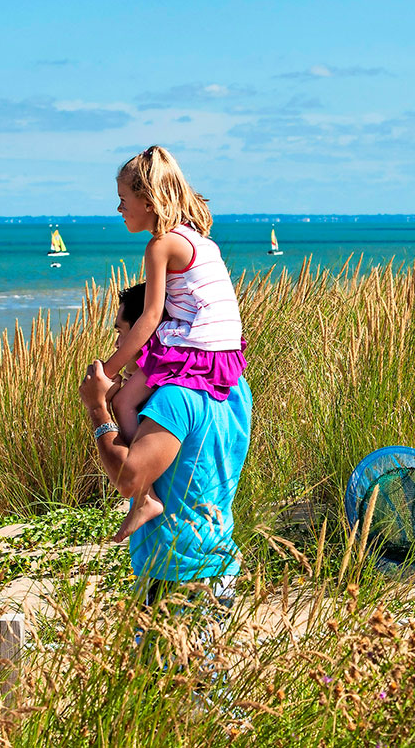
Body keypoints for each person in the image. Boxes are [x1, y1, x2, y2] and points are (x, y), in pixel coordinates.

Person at [101, 146, 247, 543]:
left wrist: (107, 371)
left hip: (194, 348)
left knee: (121, 402)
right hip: (224, 351)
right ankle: (146, 496)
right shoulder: (199, 239)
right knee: (129, 399)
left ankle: (144, 497)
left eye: (123, 200)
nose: (119, 209)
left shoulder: (160, 244)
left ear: (148, 202)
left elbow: (150, 317)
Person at [79, 342, 251, 613]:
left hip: (176, 572)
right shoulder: (236, 385)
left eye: (123, 333)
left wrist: (98, 408)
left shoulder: (174, 398)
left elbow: (128, 479)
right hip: (219, 566)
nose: (118, 346)